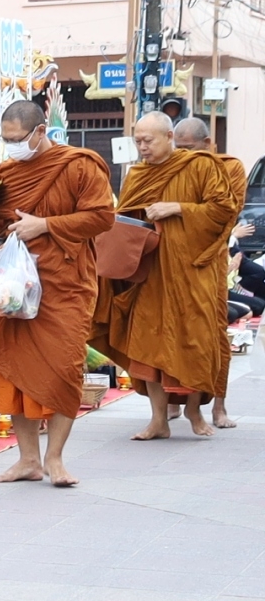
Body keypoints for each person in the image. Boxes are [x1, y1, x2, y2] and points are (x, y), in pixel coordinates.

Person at [0, 100, 115, 485]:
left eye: (19, 139)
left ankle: (56, 458)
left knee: (63, 368)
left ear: (40, 132)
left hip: (64, 284)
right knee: (12, 368)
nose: (12, 146)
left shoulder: (79, 165)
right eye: (6, 139)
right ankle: (29, 459)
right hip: (11, 287)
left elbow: (102, 217)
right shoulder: (6, 172)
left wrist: (44, 225)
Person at [89, 112, 242, 440]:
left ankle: (194, 412)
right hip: (150, 273)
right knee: (149, 345)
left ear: (169, 137)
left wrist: (178, 208)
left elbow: (223, 210)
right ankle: (158, 419)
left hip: (191, 273)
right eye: (138, 140)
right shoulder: (137, 174)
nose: (142, 147)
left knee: (193, 342)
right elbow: (125, 219)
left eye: (149, 140)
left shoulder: (200, 166)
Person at [174, 117, 249, 429]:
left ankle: (218, 405)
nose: (184, 156)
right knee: (169, 333)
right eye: (178, 149)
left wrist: (179, 209)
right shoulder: (169, 167)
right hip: (172, 261)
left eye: (189, 149)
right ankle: (170, 404)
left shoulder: (229, 168)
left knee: (213, 334)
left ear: (208, 145)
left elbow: (225, 217)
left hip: (208, 262)